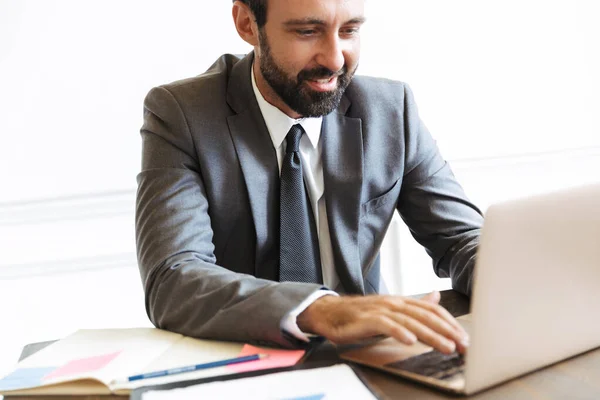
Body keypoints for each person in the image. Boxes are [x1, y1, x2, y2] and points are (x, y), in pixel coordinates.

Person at [135, 0, 483, 354]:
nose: (335, 59)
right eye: (307, 31)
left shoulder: (391, 109)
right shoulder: (182, 115)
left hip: (372, 355)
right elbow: (173, 278)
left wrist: (515, 280)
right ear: (247, 24)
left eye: (349, 31)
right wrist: (321, 310)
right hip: (245, 363)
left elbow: (462, 238)